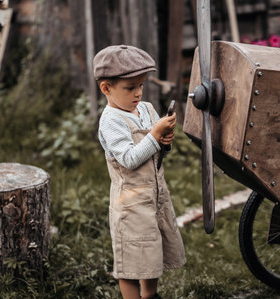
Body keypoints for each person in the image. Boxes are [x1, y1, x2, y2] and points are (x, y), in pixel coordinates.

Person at [94, 45, 186, 299]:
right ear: (106, 88)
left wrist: (165, 138)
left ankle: (150, 295)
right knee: (132, 260)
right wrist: (155, 135)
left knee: (151, 249)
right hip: (131, 204)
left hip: (154, 196)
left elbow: (157, 147)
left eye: (141, 85)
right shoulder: (111, 121)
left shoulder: (145, 109)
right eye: (130, 87)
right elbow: (130, 159)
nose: (137, 93)